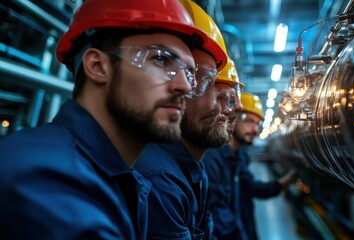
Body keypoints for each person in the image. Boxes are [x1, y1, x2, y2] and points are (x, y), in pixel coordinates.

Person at [0, 0, 214, 239]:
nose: (184, 86)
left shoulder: (121, 180)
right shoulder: (47, 184)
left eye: (189, 72)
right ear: (97, 65)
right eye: (162, 59)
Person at [133, 1, 244, 239]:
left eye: (232, 103)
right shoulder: (160, 177)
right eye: (162, 62)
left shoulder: (196, 171)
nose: (230, 111)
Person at [205, 92, 298, 240]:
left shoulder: (240, 156)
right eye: (248, 120)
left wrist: (283, 183)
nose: (255, 129)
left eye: (257, 123)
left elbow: (251, 187)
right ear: (232, 119)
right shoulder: (212, 159)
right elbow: (218, 216)